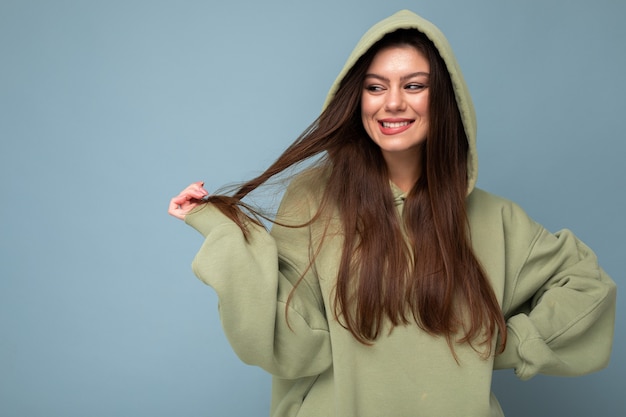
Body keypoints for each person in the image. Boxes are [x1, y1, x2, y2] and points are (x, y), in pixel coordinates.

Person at [168, 10, 616, 417]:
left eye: (414, 85)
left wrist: (504, 343)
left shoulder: (494, 219)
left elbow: (588, 289)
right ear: (357, 99)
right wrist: (224, 233)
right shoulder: (313, 199)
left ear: (443, 99)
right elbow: (291, 341)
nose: (393, 103)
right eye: (375, 87)